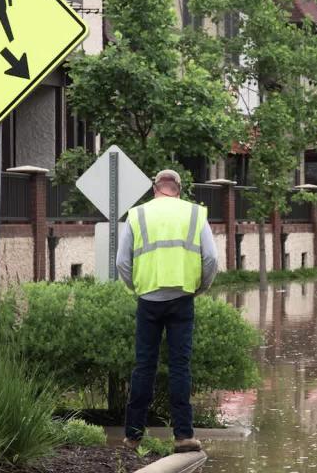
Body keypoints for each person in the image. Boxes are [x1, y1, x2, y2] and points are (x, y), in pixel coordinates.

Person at [117, 169, 219, 454]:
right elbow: (210, 258)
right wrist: (199, 287)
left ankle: (133, 437)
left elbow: (122, 262)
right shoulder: (195, 214)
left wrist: (137, 286)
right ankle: (183, 436)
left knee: (144, 366)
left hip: (148, 298)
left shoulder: (137, 215)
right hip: (182, 297)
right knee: (180, 367)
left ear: (154, 189)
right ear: (180, 189)